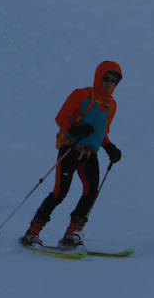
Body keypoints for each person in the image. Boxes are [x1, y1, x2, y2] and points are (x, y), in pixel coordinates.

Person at [20, 61, 124, 249]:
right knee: (60, 193)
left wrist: (110, 147)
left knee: (91, 192)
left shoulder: (111, 105)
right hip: (71, 148)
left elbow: (103, 132)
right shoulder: (81, 95)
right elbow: (61, 117)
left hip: (89, 153)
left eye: (114, 81)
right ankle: (32, 232)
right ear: (98, 78)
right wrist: (76, 129)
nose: (109, 83)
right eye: (106, 79)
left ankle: (73, 233)